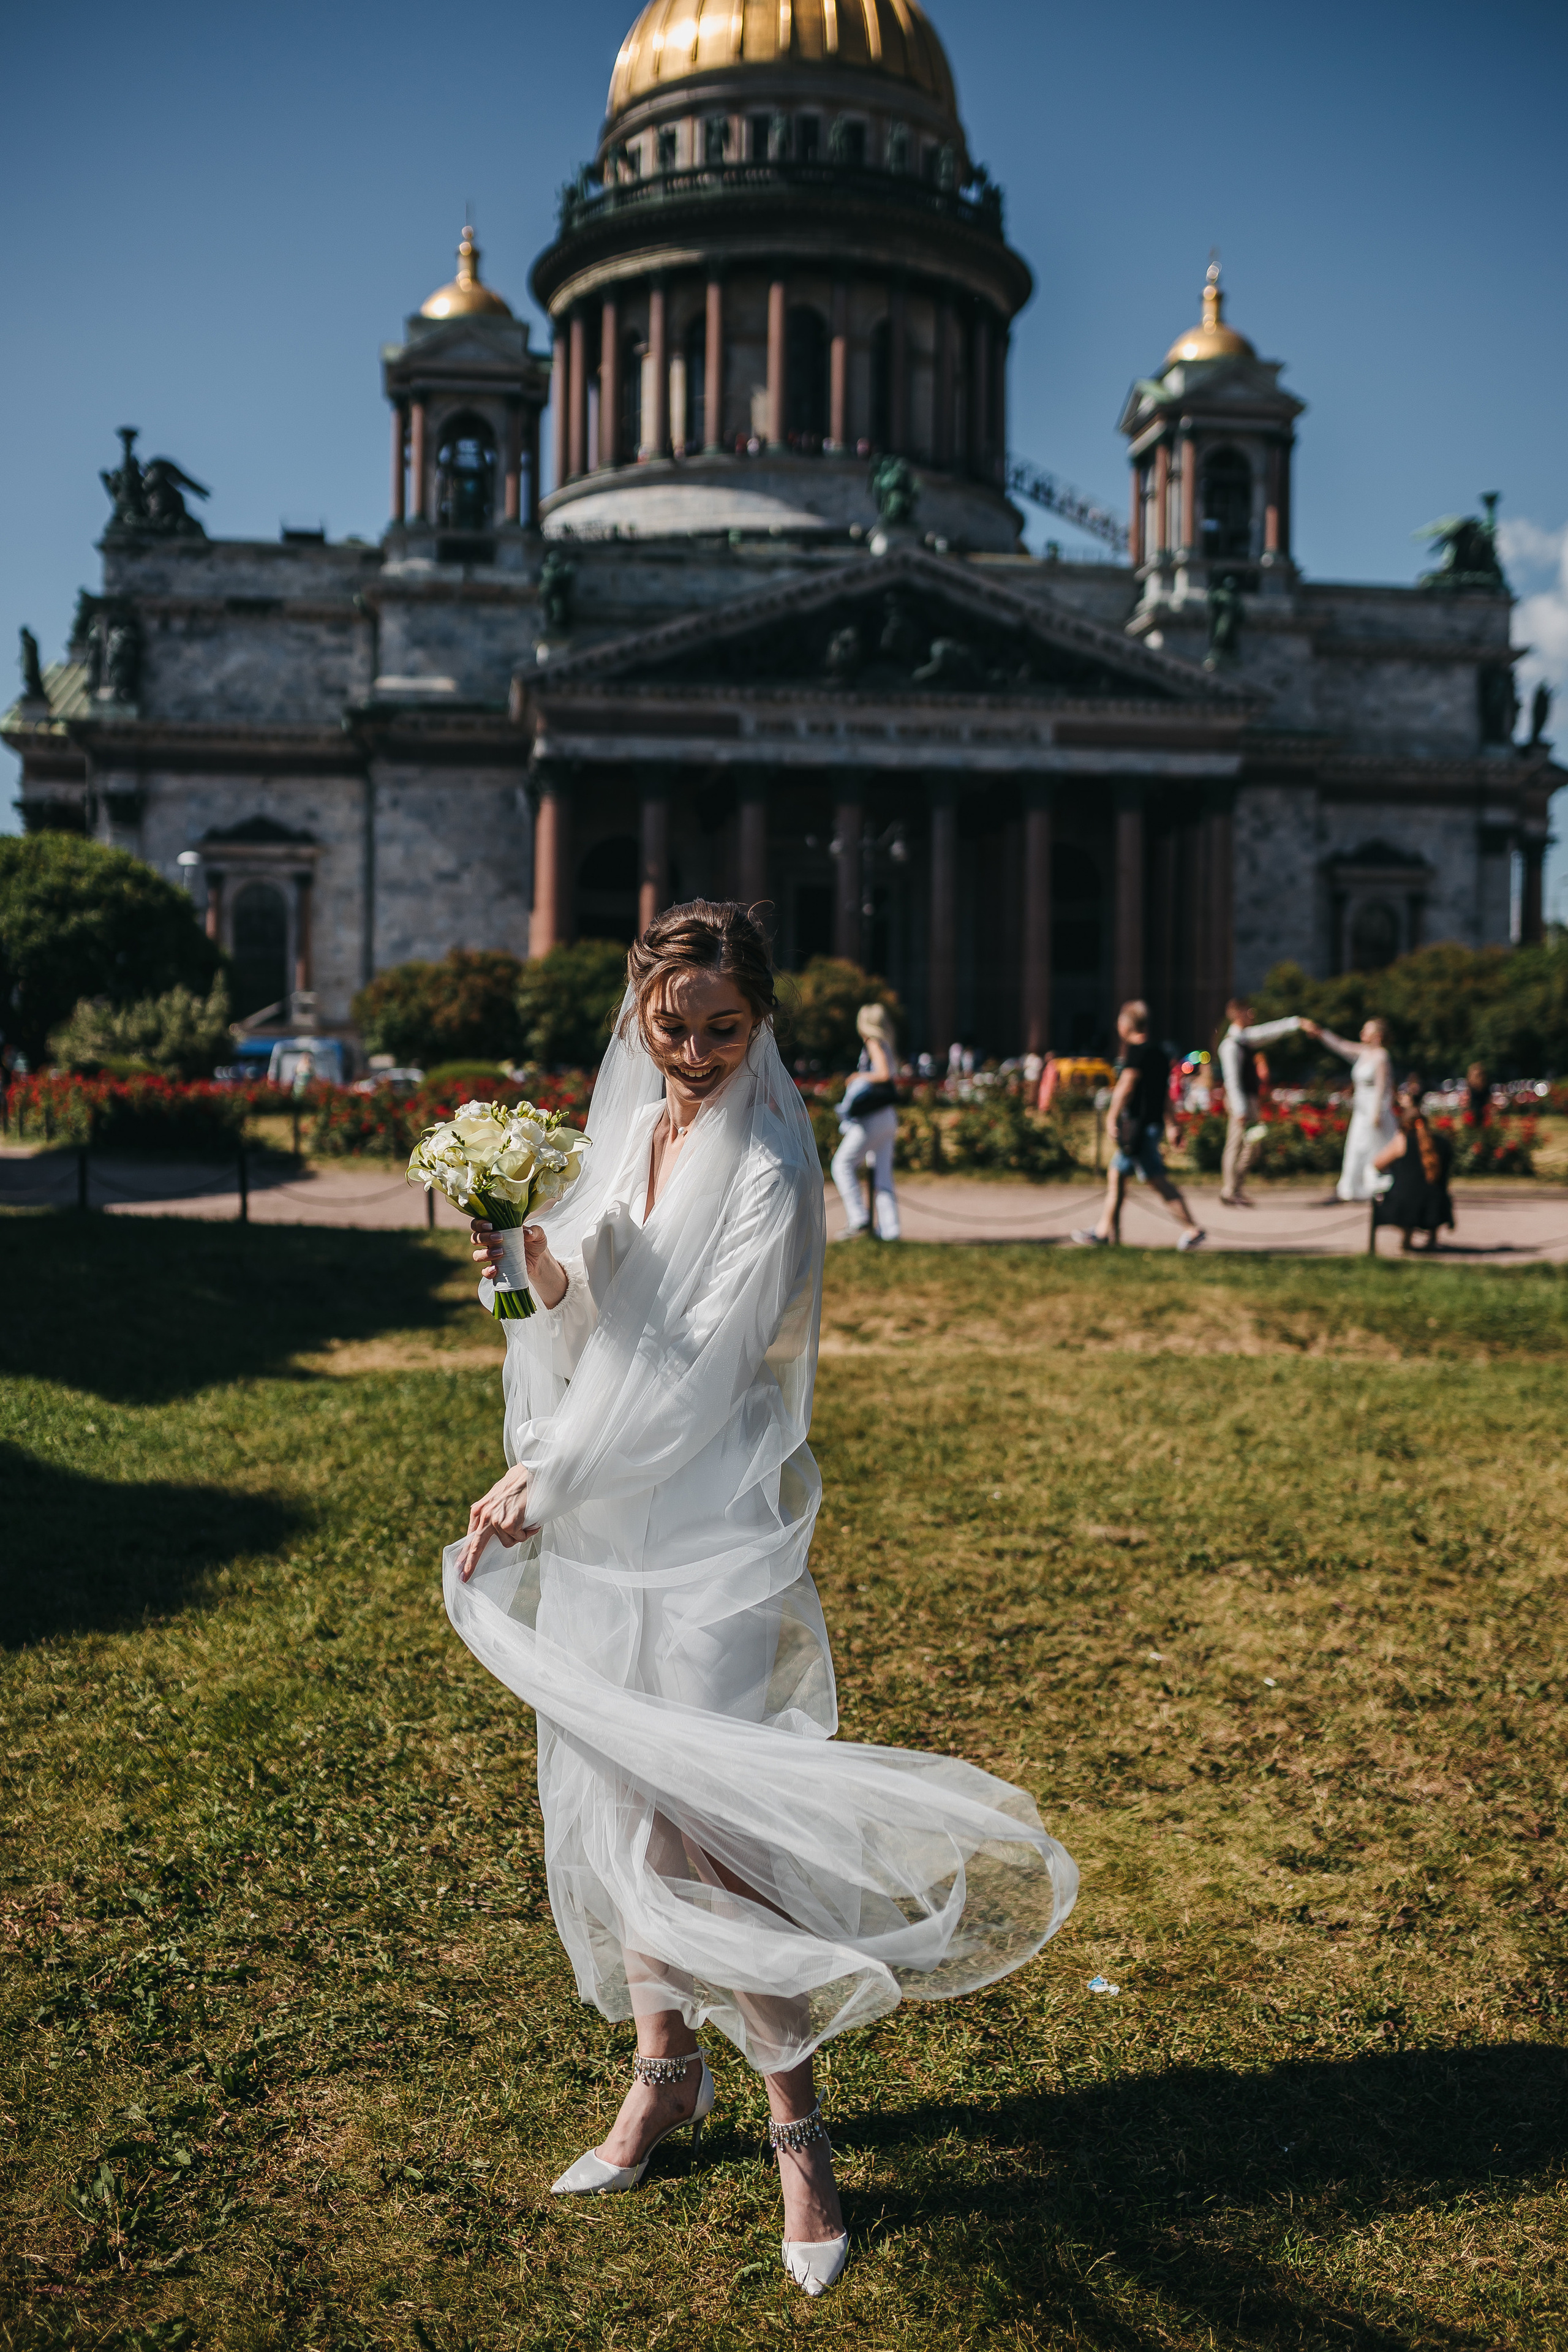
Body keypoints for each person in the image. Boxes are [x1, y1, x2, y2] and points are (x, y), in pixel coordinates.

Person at [454, 902, 1077, 2298]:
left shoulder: (773, 1166)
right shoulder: (627, 1129)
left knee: (705, 1827)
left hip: (707, 1521)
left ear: (764, 1023)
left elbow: (691, 1372)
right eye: (667, 1027)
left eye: (721, 1029)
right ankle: (662, 2073)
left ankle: (799, 2134)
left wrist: (540, 1478)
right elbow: (575, 1302)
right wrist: (511, 1238)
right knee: (617, 1796)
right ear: (635, 1014)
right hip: (610, 1513)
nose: (690, 1054)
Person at [1074, 1000, 1205, 1251]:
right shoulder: (1159, 1052)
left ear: (1126, 1024)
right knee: (1118, 1175)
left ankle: (1193, 1229)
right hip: (1151, 1126)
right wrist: (1172, 1124)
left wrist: (1112, 1117)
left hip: (1139, 1128)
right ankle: (1105, 1233)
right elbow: (1164, 1094)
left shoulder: (1136, 1051)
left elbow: (1127, 1086)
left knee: (1156, 1179)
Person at [1217, 998, 1303, 1205]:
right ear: (1238, 1014)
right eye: (1249, 1012)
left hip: (1249, 1100)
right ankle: (1230, 1190)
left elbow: (1268, 1032)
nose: (1253, 1015)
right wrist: (1240, 1110)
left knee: (1253, 1144)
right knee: (1236, 1145)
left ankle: (1235, 1188)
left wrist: (1296, 1023)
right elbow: (1232, 1080)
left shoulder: (1244, 1039)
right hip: (1242, 1102)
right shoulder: (1230, 1044)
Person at [829, 1003, 902, 1241]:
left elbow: (882, 1074)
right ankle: (890, 1231)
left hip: (872, 1116)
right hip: (887, 1115)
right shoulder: (887, 1044)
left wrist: (857, 1076)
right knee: (883, 1175)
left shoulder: (872, 1042)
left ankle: (858, 1219)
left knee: (842, 1164)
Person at [1303, 1017, 1396, 1200]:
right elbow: (1341, 1045)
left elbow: (1383, 1087)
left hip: (1374, 1110)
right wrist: (1321, 1033)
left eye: (1366, 1030)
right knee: (1356, 1148)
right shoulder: (1363, 1052)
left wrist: (1377, 1113)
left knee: (1375, 1147)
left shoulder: (1381, 1056)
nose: (1362, 1033)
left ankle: (1376, 1186)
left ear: (1377, 1035)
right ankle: (1352, 1188)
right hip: (1360, 1111)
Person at [1373, 1077, 1455, 1251]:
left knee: (1406, 1191)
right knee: (1428, 1190)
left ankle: (1407, 1240)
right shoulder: (1442, 1142)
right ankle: (1432, 1240)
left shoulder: (1402, 1140)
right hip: (1436, 1204)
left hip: (1404, 1205)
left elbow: (1378, 1164)